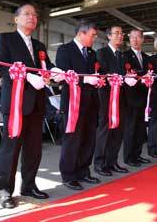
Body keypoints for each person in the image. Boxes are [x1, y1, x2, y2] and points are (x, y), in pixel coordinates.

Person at [0, 3, 56, 209]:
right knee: (10, 150)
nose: (32, 17)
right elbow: (3, 68)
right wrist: (28, 76)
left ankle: (29, 186)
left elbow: (47, 66)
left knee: (33, 149)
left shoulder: (39, 45)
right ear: (16, 18)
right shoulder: (4, 39)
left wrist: (58, 72)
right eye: (27, 14)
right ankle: (4, 191)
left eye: (35, 15)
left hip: (36, 104)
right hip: (15, 104)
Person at [56, 20, 100, 191]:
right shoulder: (65, 50)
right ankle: (68, 175)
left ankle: (83, 171)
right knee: (72, 139)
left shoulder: (91, 53)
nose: (94, 39)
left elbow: (96, 71)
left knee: (88, 138)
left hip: (91, 101)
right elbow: (63, 74)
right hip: (73, 102)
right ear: (81, 33)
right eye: (92, 35)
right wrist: (84, 79)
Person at [94, 25, 129, 177]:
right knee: (104, 130)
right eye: (116, 33)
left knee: (118, 130)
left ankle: (112, 162)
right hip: (106, 98)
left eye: (122, 34)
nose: (120, 36)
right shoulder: (101, 53)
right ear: (108, 36)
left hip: (121, 97)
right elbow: (103, 73)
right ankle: (99, 163)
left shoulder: (122, 55)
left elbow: (125, 73)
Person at [122, 29, 151, 167]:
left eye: (138, 37)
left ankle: (137, 155)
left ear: (142, 39)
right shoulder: (124, 55)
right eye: (132, 37)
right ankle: (129, 157)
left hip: (143, 97)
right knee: (130, 129)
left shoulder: (146, 57)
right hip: (130, 98)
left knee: (140, 129)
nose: (135, 40)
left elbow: (149, 73)